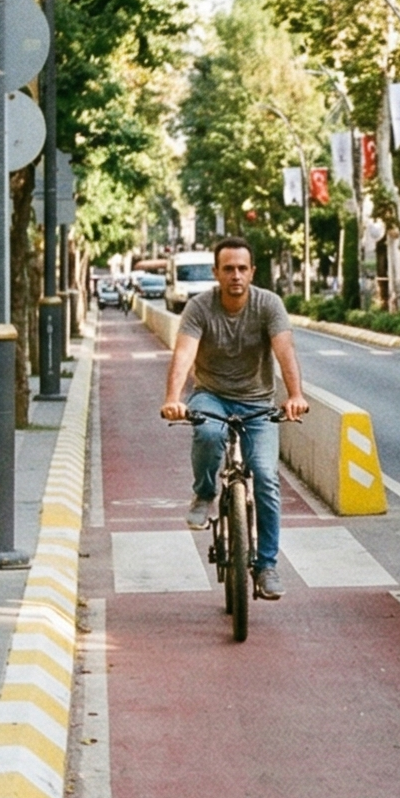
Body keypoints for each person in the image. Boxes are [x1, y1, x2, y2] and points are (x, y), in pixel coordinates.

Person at [160, 236, 308, 601]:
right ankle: (204, 494)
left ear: (252, 272)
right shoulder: (199, 308)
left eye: (242, 269)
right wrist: (172, 399)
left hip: (258, 400)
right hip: (212, 395)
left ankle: (266, 565)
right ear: (216, 273)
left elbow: (285, 351)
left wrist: (295, 396)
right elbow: (183, 354)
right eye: (228, 269)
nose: (236, 276)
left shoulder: (268, 304)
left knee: (267, 477)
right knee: (208, 435)